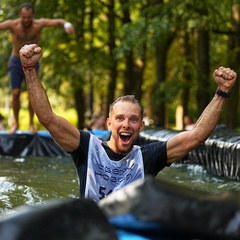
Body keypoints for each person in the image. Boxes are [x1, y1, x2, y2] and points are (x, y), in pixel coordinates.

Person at [19, 44, 236, 203]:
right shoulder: (87, 148)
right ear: (109, 124)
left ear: (141, 127)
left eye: (133, 120)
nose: (126, 124)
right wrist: (29, 70)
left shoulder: (148, 157)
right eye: (120, 118)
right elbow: (47, 118)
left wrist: (222, 92)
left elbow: (197, 135)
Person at [0, 2, 75, 134]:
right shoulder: (13, 25)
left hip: (32, 62)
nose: (26, 20)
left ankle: (30, 124)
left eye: (29, 17)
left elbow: (57, 21)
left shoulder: (38, 24)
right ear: (20, 16)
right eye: (24, 17)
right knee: (16, 93)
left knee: (32, 94)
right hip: (16, 61)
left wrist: (66, 24)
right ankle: (16, 123)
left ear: (32, 16)